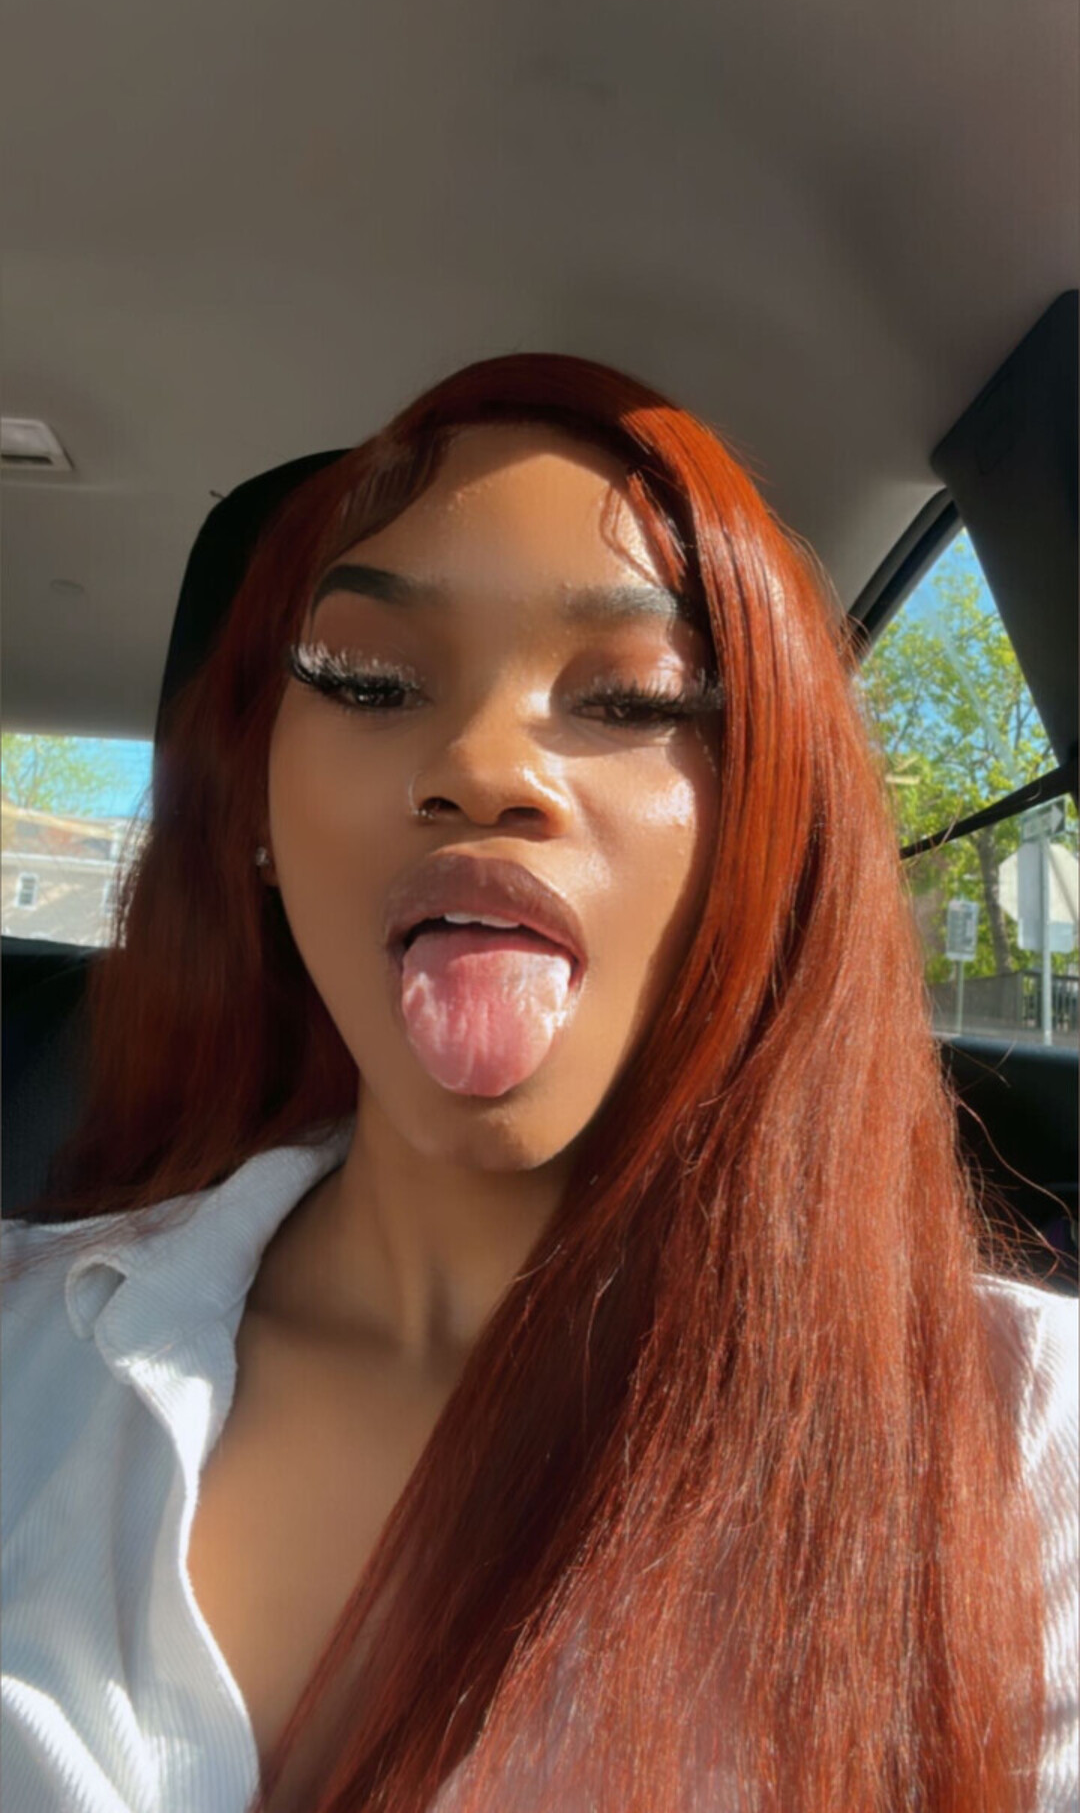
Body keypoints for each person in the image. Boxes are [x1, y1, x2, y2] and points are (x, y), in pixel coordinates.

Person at [3, 353, 1076, 1813]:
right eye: (370, 680)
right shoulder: (23, 1348)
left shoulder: (1028, 1447)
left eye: (632, 699)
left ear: (761, 837)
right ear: (256, 811)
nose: (481, 764)